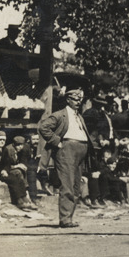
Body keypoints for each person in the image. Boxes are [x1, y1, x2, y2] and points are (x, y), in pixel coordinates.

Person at [38, 88, 91, 228]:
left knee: (76, 186)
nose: (78, 102)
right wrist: (56, 142)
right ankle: (65, 219)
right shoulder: (60, 115)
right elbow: (43, 127)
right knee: (67, 185)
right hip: (67, 151)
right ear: (68, 100)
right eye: (75, 99)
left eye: (79, 100)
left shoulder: (79, 116)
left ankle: (69, 218)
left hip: (80, 152)